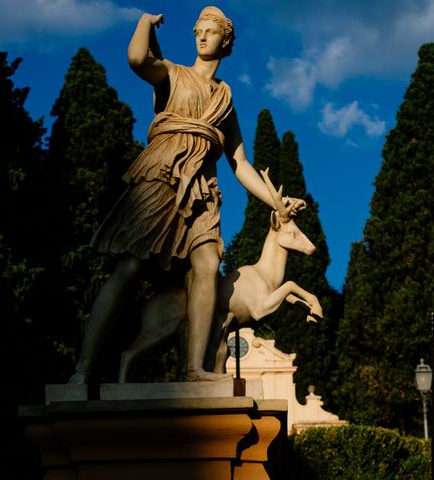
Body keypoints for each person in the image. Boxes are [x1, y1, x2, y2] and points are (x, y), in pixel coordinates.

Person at [69, 6, 304, 383]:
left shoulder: (225, 98)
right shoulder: (173, 74)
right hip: (162, 173)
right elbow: (137, 59)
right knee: (130, 267)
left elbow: (240, 163)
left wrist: (276, 202)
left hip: (202, 190)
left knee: (208, 267)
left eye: (210, 31)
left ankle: (194, 368)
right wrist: (145, 22)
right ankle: (81, 370)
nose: (201, 36)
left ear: (225, 41)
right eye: (198, 30)